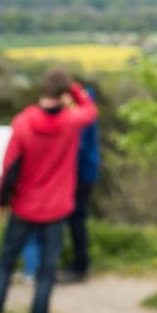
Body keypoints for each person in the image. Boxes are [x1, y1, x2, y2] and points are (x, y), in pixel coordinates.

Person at [0, 69, 97, 313]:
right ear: (63, 94)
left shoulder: (23, 122)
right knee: (47, 267)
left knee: (5, 263)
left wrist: (0, 199)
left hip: (23, 205)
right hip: (56, 207)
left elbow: (10, 165)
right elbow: (91, 110)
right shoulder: (72, 122)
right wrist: (76, 90)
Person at [62, 89, 101, 283]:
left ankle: (80, 265)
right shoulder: (86, 112)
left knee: (76, 218)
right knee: (76, 219)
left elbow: (79, 147)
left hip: (80, 174)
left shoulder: (81, 117)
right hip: (85, 172)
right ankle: (79, 262)